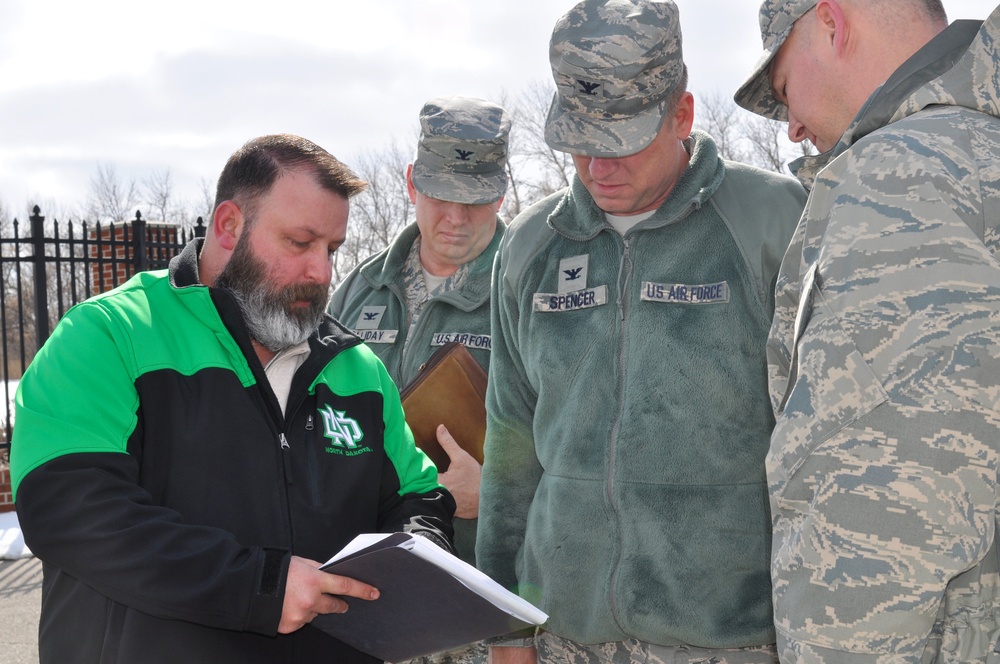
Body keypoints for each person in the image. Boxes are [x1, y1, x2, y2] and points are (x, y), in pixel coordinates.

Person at [10, 134, 456, 664]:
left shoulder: (355, 367)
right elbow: (67, 507)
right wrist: (258, 587)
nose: (321, 272)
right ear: (228, 226)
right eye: (299, 242)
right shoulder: (110, 335)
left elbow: (418, 497)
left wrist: (419, 561)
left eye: (331, 249)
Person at [475, 1, 807, 662]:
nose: (598, 168)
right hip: (562, 632)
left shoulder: (773, 222)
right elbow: (509, 447)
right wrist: (503, 620)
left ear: (682, 115)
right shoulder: (528, 247)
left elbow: (822, 447)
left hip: (728, 639)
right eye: (580, 142)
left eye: (621, 143)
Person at [734, 0, 1000, 660]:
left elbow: (881, 518)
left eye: (784, 88)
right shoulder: (981, 147)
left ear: (832, 22)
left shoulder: (900, 174)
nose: (792, 127)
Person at [329, 95, 509, 664]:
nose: (455, 218)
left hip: (481, 600)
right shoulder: (358, 289)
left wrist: (497, 494)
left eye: (475, 200)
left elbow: (585, 443)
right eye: (440, 196)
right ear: (410, 182)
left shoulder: (531, 286)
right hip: (370, 594)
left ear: (501, 193)